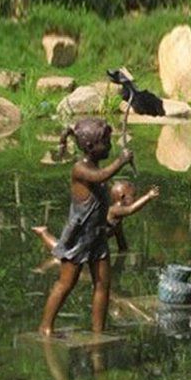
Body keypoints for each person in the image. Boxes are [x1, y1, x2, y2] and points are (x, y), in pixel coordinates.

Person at [38, 118, 134, 336]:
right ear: (90, 147)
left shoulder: (94, 166)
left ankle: (98, 330)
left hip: (97, 236)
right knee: (66, 283)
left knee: (103, 284)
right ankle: (46, 326)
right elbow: (101, 176)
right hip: (80, 238)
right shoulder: (80, 169)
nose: (110, 146)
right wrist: (121, 160)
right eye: (106, 142)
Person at [33, 179, 159, 255]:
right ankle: (43, 233)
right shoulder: (114, 210)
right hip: (84, 241)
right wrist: (148, 196)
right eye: (134, 196)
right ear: (122, 197)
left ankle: (44, 233)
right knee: (62, 253)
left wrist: (123, 252)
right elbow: (131, 209)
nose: (136, 199)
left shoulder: (117, 220)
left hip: (91, 245)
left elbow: (121, 240)